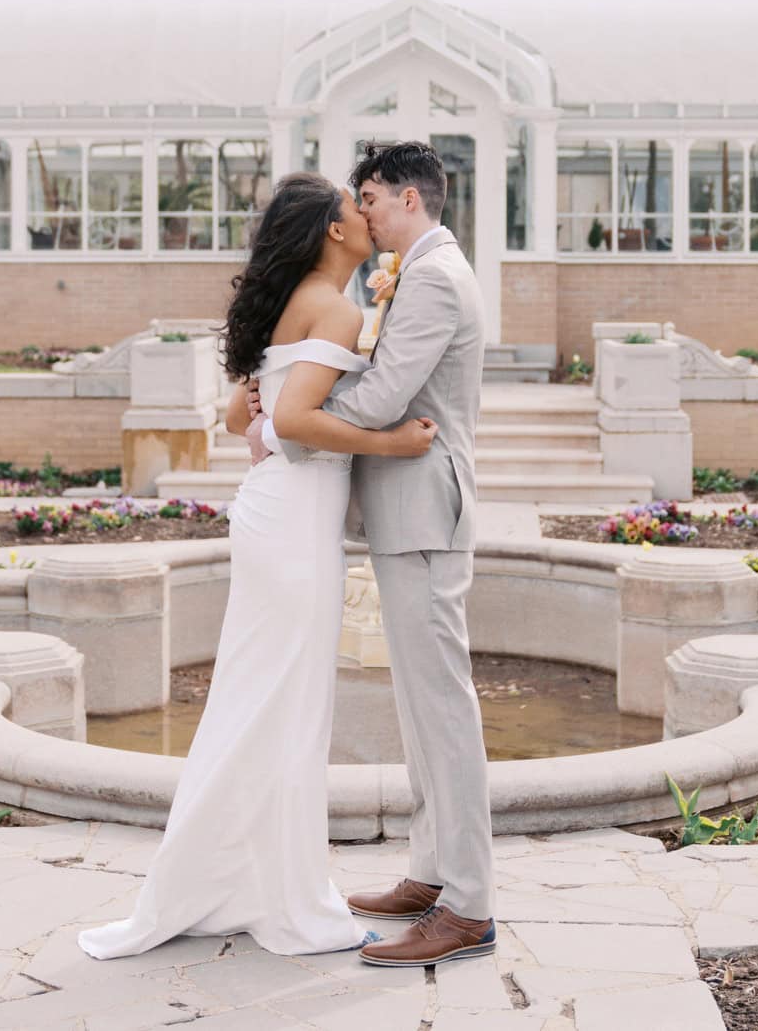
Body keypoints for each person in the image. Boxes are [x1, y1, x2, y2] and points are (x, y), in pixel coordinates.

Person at [77, 173, 437, 960]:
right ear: (334, 233)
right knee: (285, 706)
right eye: (355, 208)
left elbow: (243, 413)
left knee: (264, 701)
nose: (366, 214)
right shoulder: (336, 308)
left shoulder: (290, 305)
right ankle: (279, 898)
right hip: (294, 521)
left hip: (275, 512)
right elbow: (298, 418)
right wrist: (394, 443)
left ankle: (242, 883)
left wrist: (274, 420)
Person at [247, 141, 496, 968]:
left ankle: (467, 906)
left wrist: (292, 404)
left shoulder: (430, 275)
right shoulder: (419, 269)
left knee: (443, 707)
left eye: (371, 198)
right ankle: (432, 875)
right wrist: (297, 390)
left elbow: (387, 396)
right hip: (407, 511)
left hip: (425, 509)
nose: (362, 212)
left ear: (408, 201)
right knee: (422, 709)